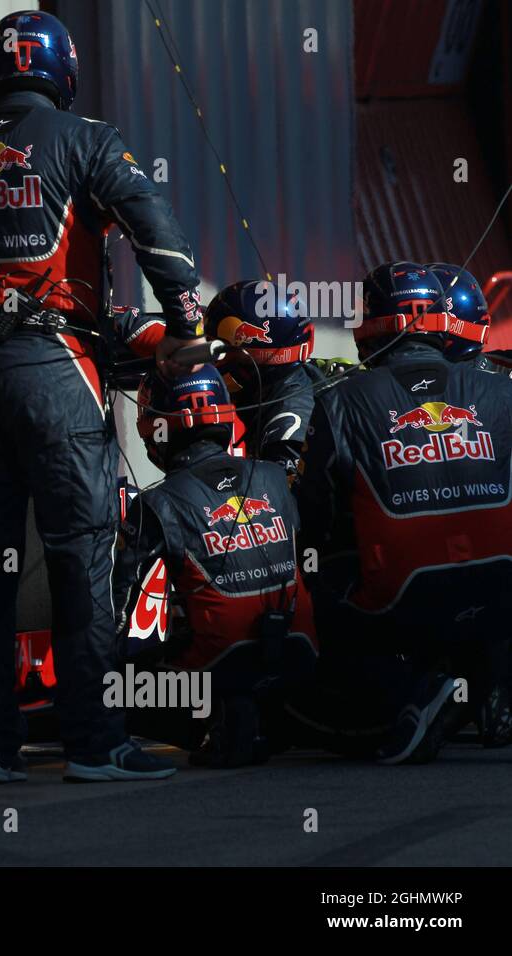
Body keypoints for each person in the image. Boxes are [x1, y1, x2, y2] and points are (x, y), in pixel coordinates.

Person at [0, 10, 205, 784]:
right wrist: (185, 319)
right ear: (61, 71)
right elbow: (158, 231)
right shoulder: (87, 139)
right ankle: (94, 743)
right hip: (52, 366)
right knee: (83, 551)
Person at [297, 261, 509, 762]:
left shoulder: (341, 400)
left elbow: (315, 514)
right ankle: (490, 689)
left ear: (370, 325)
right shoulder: (502, 389)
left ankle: (408, 695)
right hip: (502, 588)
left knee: (318, 580)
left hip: (406, 600)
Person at [115, 365, 316, 767]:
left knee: (111, 683)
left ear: (160, 429)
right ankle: (273, 716)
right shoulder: (276, 477)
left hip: (221, 665)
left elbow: (120, 613)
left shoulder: (156, 504)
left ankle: (219, 717)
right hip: (302, 655)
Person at [203, 280, 322, 482]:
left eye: (219, 353)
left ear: (251, 360)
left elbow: (281, 508)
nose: (210, 363)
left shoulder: (287, 434)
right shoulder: (301, 379)